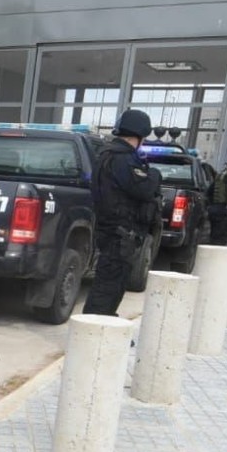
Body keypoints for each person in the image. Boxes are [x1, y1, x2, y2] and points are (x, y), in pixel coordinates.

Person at [82, 109, 161, 316]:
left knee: (113, 283)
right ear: (140, 134)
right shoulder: (123, 159)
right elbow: (143, 189)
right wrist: (154, 174)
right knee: (108, 284)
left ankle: (107, 324)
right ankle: (97, 331)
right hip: (120, 232)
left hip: (114, 230)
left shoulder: (108, 154)